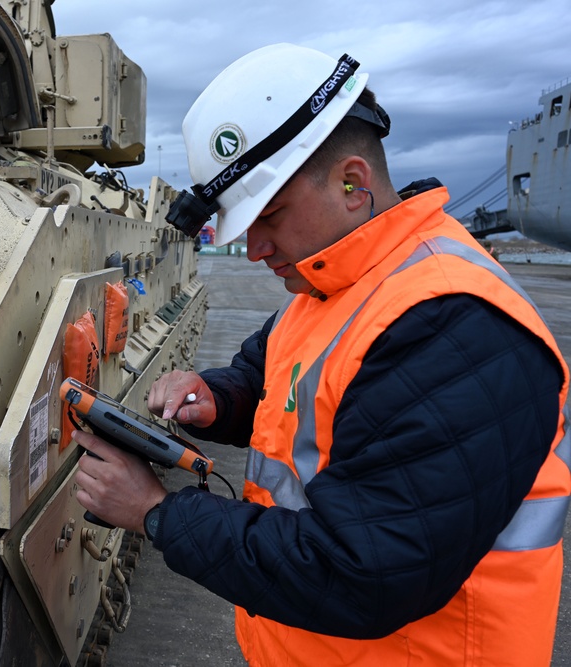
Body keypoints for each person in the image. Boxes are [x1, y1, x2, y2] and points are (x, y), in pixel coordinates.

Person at [73, 43, 570, 666]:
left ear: (353, 183)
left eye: (269, 217)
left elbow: (363, 573)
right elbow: (271, 377)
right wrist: (216, 399)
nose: (255, 249)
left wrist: (156, 512)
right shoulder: (337, 284)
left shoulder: (454, 326)